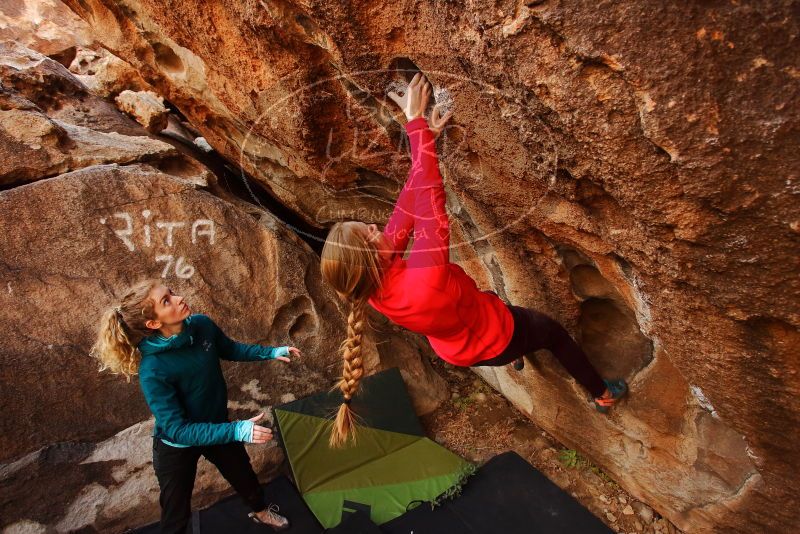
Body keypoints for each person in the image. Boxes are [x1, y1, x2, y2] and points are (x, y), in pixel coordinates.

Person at [321, 73, 627, 447]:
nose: (374, 225)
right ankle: (602, 393)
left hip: (459, 349)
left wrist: (426, 141)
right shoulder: (422, 277)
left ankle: (515, 356)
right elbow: (431, 200)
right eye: (368, 232)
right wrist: (415, 122)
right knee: (551, 332)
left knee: (501, 325)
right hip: (497, 333)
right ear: (370, 257)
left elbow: (409, 202)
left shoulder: (373, 286)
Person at [90, 279, 299, 532]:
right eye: (166, 301)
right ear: (154, 323)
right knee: (175, 512)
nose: (178, 298)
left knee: (245, 478)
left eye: (172, 293)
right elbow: (178, 429)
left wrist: (270, 352)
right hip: (178, 445)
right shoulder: (152, 369)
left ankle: (261, 511)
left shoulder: (201, 325)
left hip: (216, 427)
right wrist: (235, 431)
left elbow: (230, 349)